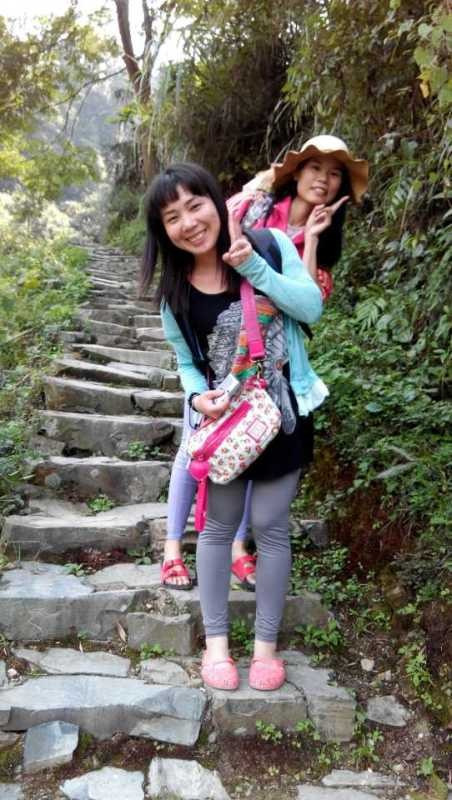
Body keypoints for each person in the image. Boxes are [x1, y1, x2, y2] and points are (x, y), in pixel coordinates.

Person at [141, 161, 326, 691]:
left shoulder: (269, 245)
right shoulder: (174, 296)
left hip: (282, 415)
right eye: (172, 217)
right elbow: (187, 362)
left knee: (269, 525)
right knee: (218, 528)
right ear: (163, 232)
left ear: (216, 202)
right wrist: (196, 395)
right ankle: (217, 647)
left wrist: (254, 268)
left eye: (195, 205)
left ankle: (266, 649)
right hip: (227, 429)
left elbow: (310, 308)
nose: (189, 222)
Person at [159, 136, 368, 590]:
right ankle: (172, 548)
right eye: (315, 168)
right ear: (297, 172)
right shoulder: (255, 207)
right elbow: (209, 228)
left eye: (335, 174)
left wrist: (311, 241)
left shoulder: (318, 237)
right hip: (217, 355)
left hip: (268, 365)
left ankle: (238, 548)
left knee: (252, 448)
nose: (324, 180)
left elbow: (308, 303)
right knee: (194, 445)